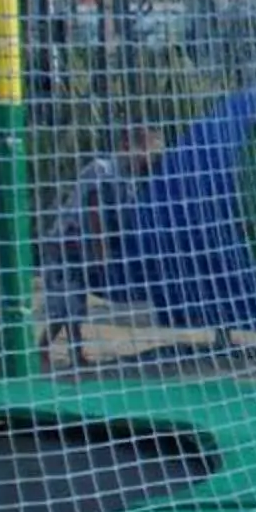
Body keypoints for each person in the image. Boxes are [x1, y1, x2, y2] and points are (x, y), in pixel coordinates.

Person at [42, 125, 161, 368]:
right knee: (68, 302)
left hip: (80, 247)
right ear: (127, 146)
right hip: (67, 243)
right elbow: (96, 212)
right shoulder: (103, 170)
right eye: (146, 151)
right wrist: (101, 253)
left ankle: (68, 351)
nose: (148, 160)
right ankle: (47, 348)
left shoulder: (128, 181)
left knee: (74, 303)